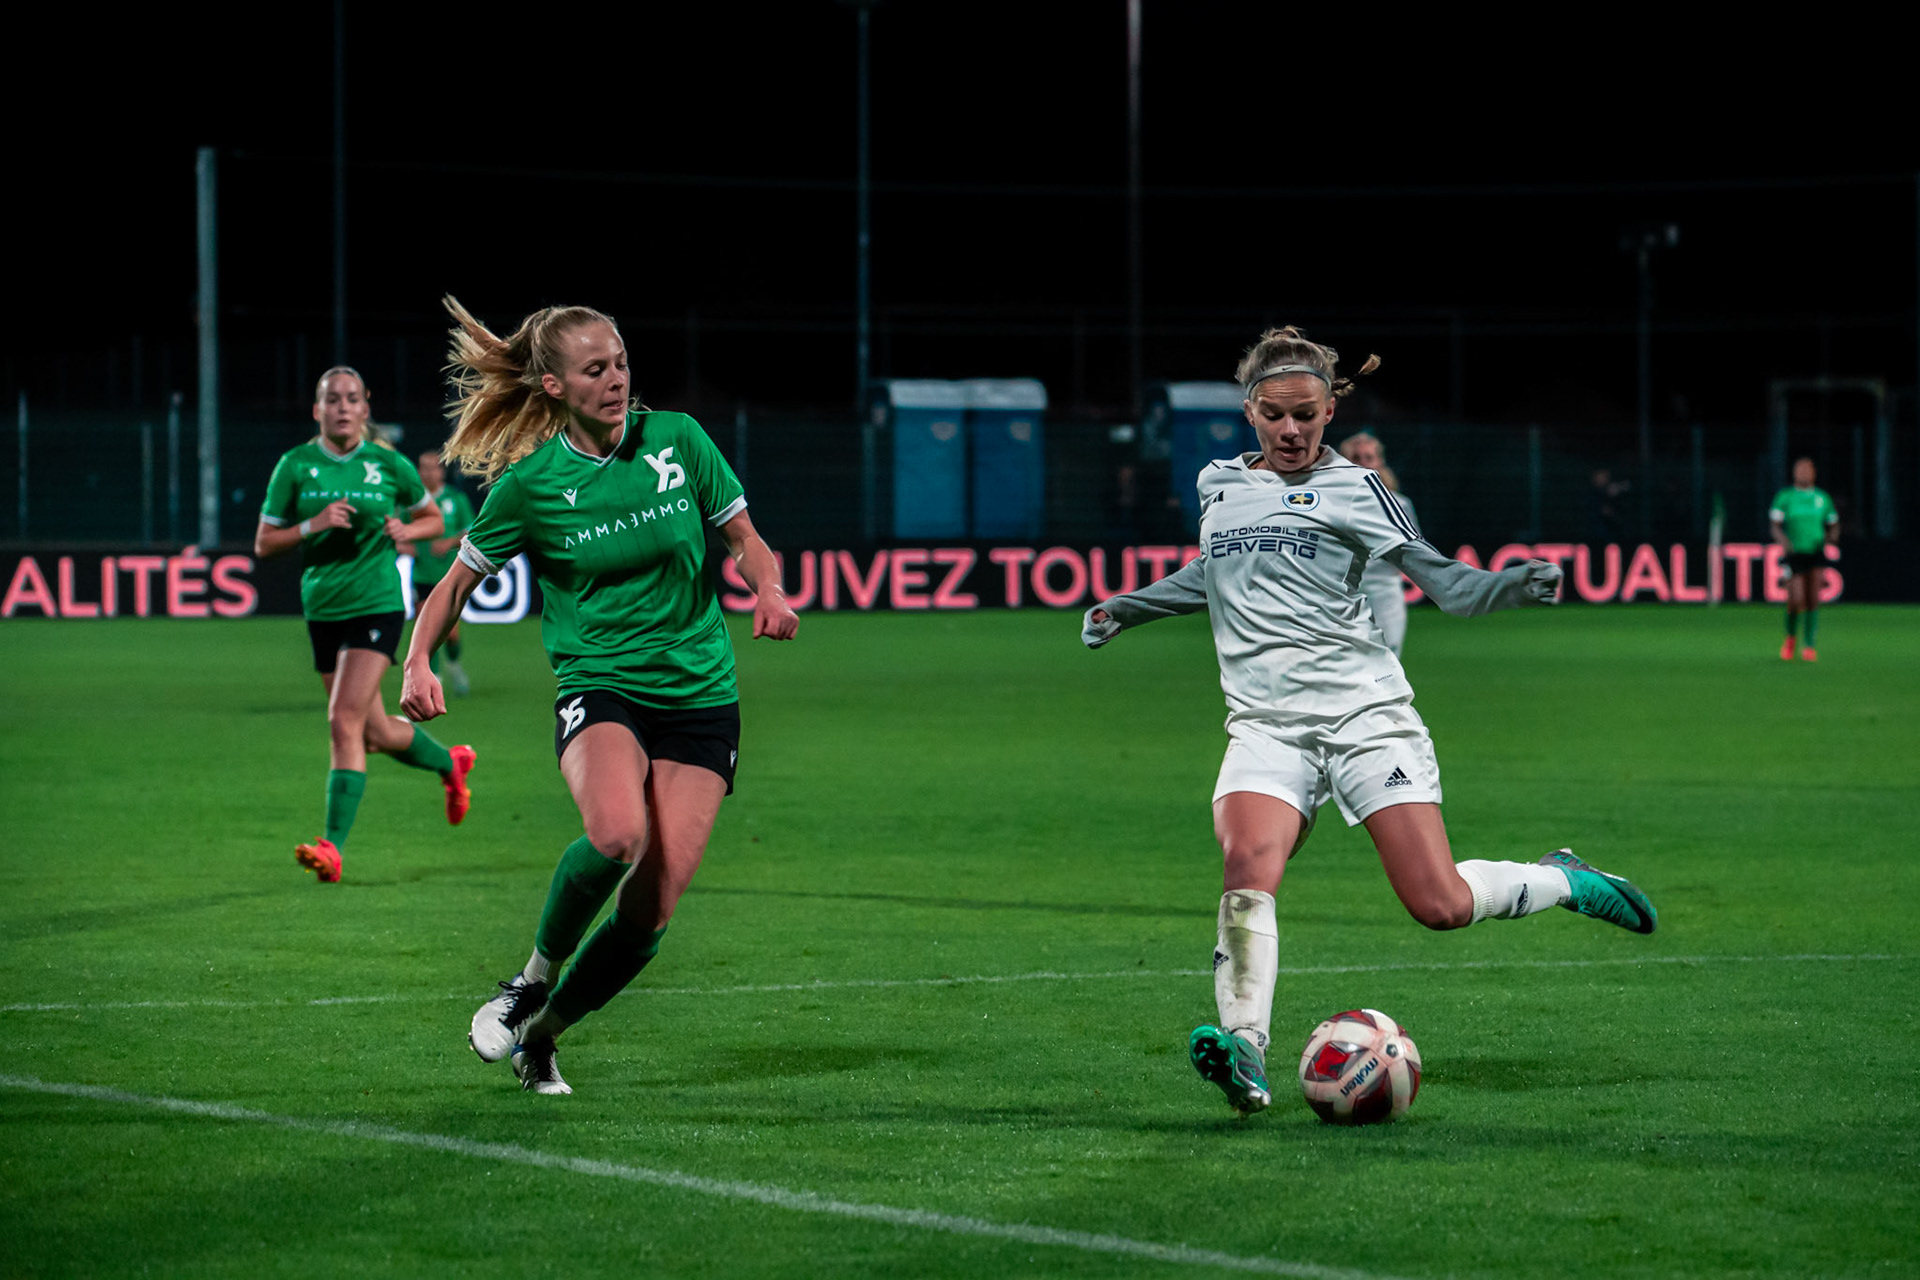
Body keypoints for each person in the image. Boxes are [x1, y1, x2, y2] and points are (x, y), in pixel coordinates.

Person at [1081, 327, 1658, 1117]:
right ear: (1251, 410)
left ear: (1329, 410)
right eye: (1277, 416)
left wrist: (1509, 588)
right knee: (1248, 863)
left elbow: (1445, 584)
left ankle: (1565, 878)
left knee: (1440, 905)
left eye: (1308, 416)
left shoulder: (1357, 487)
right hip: (1264, 723)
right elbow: (1215, 574)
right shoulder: (1218, 484)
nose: (1293, 431)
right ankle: (1244, 1048)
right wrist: (1129, 608)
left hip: (1364, 714)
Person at [401, 297, 798, 1096]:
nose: (616, 380)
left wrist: (770, 591)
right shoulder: (531, 487)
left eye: (619, 362)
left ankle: (542, 1038)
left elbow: (745, 538)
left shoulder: (678, 441)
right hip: (601, 684)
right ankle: (530, 981)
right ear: (553, 385)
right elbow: (452, 588)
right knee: (617, 834)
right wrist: (416, 663)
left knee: (650, 914)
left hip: (699, 695)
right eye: (595, 370)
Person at [255, 367, 477, 884]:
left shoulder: (387, 463)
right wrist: (311, 524)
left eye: (352, 398)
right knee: (371, 731)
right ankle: (450, 764)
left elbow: (433, 520)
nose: (342, 407)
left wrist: (407, 526)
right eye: (332, 399)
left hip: (376, 604)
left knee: (341, 722)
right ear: (318, 410)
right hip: (323, 608)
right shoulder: (295, 466)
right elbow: (264, 544)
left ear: (365, 406)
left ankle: (332, 847)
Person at [1335, 431, 1416, 655]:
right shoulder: (1329, 503)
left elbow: (1413, 549)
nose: (1362, 463)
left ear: (1379, 461)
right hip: (1342, 590)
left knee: (1388, 654)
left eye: (1368, 457)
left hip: (1384, 588)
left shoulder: (1398, 504)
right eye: (1355, 458)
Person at [405, 449, 477, 695]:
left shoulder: (455, 499)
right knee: (424, 627)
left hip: (450, 575)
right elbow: (398, 532)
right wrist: (406, 546)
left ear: (441, 470)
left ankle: (454, 664)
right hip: (422, 575)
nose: (428, 472)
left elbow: (472, 532)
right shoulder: (413, 501)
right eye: (423, 467)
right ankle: (433, 677)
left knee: (451, 633)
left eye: (433, 467)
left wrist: (449, 542)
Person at [1769, 457, 1838, 662]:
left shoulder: (1822, 498)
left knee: (1812, 600)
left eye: (1807, 469)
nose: (1804, 473)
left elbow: (1833, 523)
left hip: (1815, 552)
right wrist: (1782, 539)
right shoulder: (1785, 497)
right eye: (1800, 469)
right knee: (1795, 599)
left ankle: (1809, 645)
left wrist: (1831, 537)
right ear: (1794, 473)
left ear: (1814, 473)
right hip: (1794, 554)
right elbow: (1774, 525)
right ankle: (1790, 638)